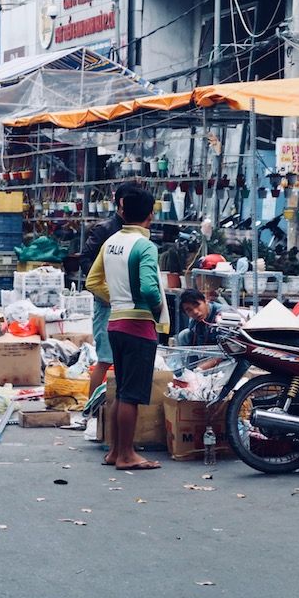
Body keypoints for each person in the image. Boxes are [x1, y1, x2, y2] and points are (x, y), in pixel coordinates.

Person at [86, 184, 168, 470]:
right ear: (151, 214)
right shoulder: (145, 246)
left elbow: (92, 282)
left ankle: (114, 452)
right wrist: (155, 306)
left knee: (121, 391)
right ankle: (126, 455)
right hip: (138, 326)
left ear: (121, 210)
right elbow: (148, 287)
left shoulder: (111, 242)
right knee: (131, 394)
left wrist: (118, 300)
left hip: (116, 322)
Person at [80, 184, 130, 410]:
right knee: (105, 358)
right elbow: (85, 261)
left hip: (130, 305)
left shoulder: (136, 231)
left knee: (125, 362)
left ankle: (115, 409)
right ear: (120, 204)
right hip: (108, 303)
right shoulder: (105, 229)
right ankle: (90, 410)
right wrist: (105, 288)